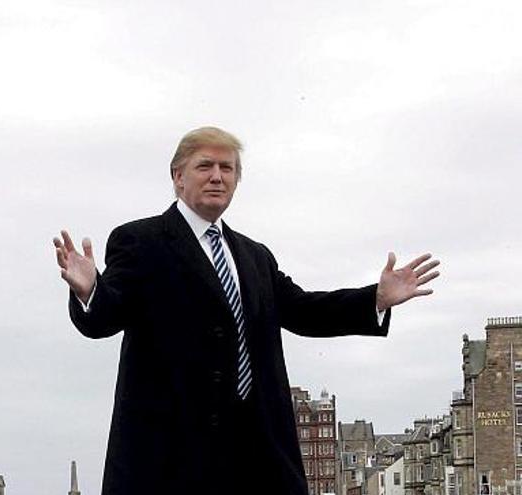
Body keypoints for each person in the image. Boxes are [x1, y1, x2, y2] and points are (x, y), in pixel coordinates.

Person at [52, 126, 439, 495]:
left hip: (255, 455)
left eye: (228, 168)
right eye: (205, 166)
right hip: (170, 457)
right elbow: (107, 314)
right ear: (178, 176)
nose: (217, 176)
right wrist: (90, 290)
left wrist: (376, 299)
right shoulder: (139, 240)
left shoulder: (255, 256)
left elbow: (303, 310)